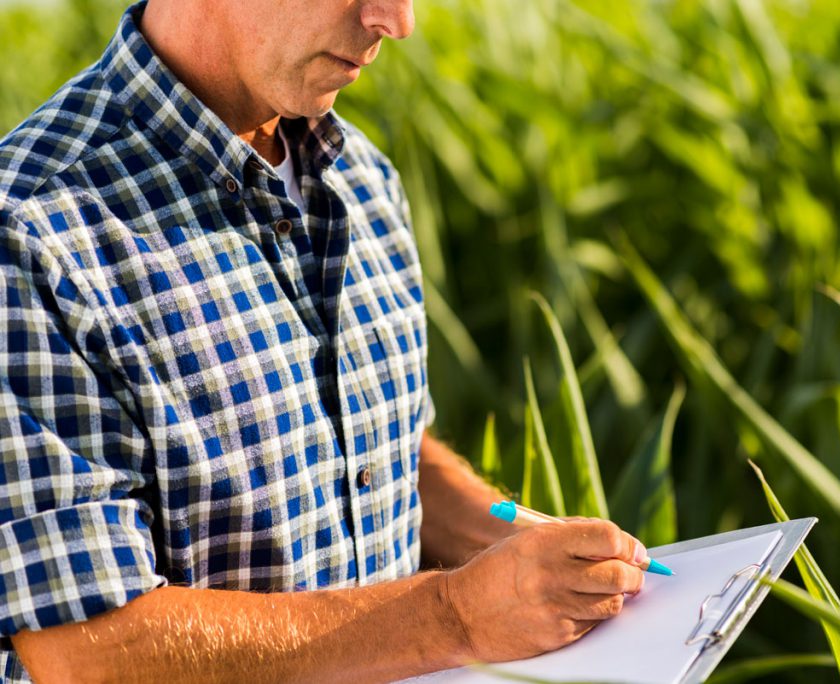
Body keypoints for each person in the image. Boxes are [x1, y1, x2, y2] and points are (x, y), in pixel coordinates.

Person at [0, 1, 648, 681]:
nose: (397, 22)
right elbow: (85, 651)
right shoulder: (30, 234)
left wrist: (514, 546)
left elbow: (377, 453)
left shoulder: (362, 179)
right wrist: (456, 615)